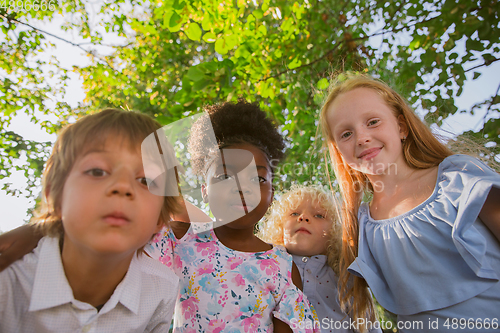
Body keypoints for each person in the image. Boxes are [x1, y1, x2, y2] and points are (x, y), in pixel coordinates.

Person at [319, 74, 500, 332]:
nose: (361, 138)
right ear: (339, 151)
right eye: (346, 134)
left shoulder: (457, 180)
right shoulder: (361, 228)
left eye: (372, 122)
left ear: (401, 127)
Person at [0, 109, 180, 332]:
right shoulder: (7, 280)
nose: (123, 186)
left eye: (145, 180)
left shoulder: (163, 290)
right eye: (97, 171)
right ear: (54, 196)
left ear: (160, 220)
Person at [147, 101, 320, 332]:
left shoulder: (283, 265)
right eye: (225, 175)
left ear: (272, 192)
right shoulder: (178, 240)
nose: (242, 188)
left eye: (258, 179)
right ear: (204, 190)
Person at [260, 184, 382, 333]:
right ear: (279, 226)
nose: (303, 217)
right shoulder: (264, 268)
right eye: (294, 213)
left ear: (334, 232)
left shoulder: (347, 280)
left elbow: (369, 327)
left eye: (318, 215)